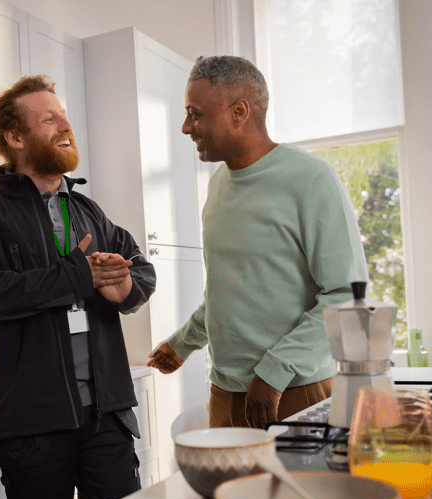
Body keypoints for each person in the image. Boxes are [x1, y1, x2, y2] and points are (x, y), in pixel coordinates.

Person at [0, 75, 156, 499]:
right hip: (33, 422)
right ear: (16, 138)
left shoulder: (88, 212)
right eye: (50, 119)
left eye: (64, 116)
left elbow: (139, 267)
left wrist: (125, 284)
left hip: (106, 412)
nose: (66, 125)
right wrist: (76, 276)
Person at [147, 55, 367, 430]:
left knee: (301, 492)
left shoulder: (312, 179)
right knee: (222, 492)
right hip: (224, 395)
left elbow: (346, 298)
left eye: (195, 113)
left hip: (292, 392)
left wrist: (275, 371)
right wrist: (183, 343)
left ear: (238, 112)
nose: (186, 127)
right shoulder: (217, 186)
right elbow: (229, 290)